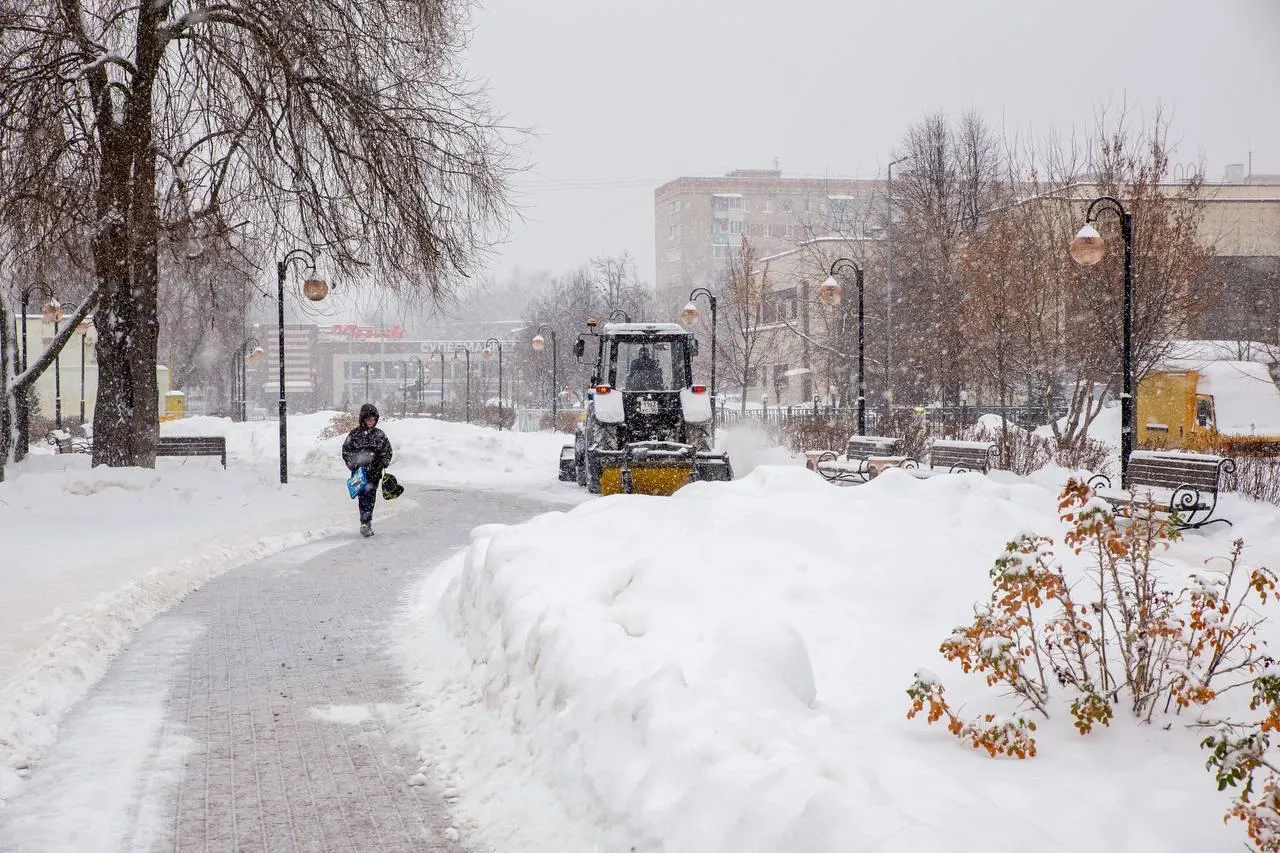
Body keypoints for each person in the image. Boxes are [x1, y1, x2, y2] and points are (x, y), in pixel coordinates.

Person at [342, 403, 393, 537]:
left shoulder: (380, 435)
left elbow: (387, 451)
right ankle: (365, 522)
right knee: (362, 497)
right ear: (363, 419)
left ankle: (366, 521)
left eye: (374, 419)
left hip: (374, 473)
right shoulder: (354, 435)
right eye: (369, 418)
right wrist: (353, 464)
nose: (371, 421)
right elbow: (346, 451)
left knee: (370, 498)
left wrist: (384, 462)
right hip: (359, 474)